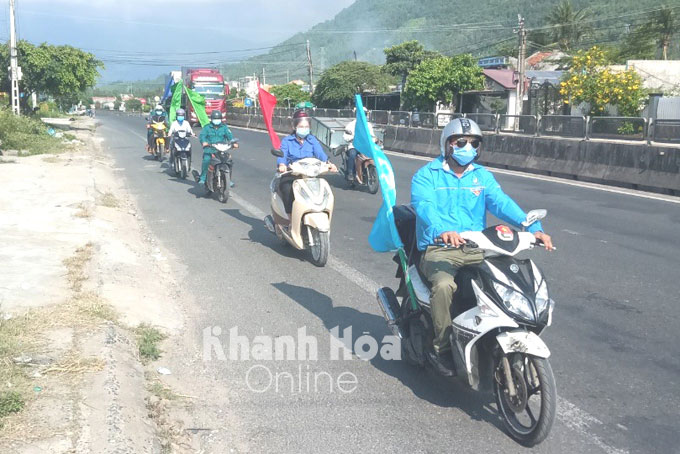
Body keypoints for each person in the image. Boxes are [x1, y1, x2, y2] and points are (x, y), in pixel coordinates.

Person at [411, 118, 554, 376]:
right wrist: (442, 231)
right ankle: (442, 346)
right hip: (440, 247)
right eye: (461, 142)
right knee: (444, 287)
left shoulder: (481, 176)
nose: (468, 147)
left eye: (474, 143)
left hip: (478, 246)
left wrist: (533, 229)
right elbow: (424, 207)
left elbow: (501, 203)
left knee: (507, 280)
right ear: (447, 145)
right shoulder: (426, 176)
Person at [275, 109, 337, 213]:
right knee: (287, 189)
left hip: (309, 174)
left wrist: (329, 164)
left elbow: (320, 153)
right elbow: (283, 154)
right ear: (295, 127)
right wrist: (282, 164)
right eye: (301, 127)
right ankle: (290, 219)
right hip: (291, 174)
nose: (304, 129)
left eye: (306, 127)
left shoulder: (312, 140)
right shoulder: (287, 141)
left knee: (322, 191)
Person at [193, 110, 235, 188]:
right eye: (215, 119)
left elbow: (230, 137)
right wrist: (204, 142)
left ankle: (229, 179)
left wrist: (234, 143)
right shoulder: (207, 127)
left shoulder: (224, 127)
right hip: (210, 150)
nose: (217, 120)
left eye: (218, 118)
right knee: (206, 160)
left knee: (229, 161)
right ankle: (203, 177)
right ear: (211, 119)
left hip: (221, 150)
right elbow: (202, 136)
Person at [342, 107, 377, 183]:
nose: (363, 116)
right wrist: (352, 138)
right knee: (352, 154)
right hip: (354, 146)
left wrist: (374, 141)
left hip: (365, 147)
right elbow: (345, 136)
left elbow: (372, 136)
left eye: (364, 114)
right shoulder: (351, 125)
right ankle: (351, 173)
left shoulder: (368, 125)